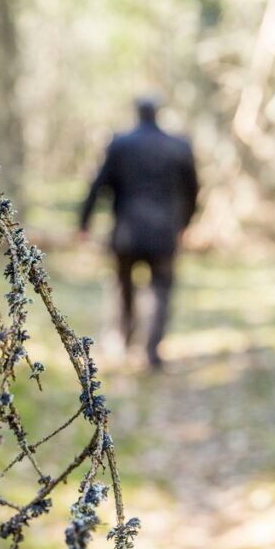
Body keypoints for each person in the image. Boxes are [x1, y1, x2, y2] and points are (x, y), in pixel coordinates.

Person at [79, 97, 199, 368]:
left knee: (123, 287)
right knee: (161, 290)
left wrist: (84, 222)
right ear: (158, 113)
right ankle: (152, 351)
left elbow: (99, 185)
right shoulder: (178, 146)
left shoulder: (121, 144)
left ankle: (123, 340)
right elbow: (193, 191)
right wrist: (185, 224)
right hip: (165, 233)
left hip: (126, 233)